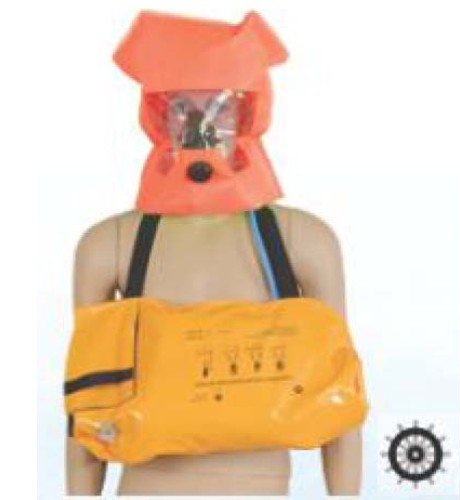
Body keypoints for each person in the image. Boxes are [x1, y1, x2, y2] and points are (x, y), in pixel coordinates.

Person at [65, 11, 364, 496]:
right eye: (182, 106)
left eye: (220, 107)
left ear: (249, 114)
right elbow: (88, 401)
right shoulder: (109, 245)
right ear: (159, 115)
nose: (199, 125)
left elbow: (342, 391)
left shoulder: (302, 241)